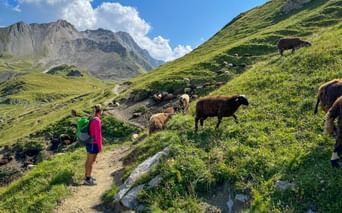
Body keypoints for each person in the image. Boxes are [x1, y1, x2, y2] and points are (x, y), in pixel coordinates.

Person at [84, 104, 103, 185]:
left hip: (88, 142)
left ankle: (87, 176)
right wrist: (100, 146)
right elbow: (98, 135)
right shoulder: (97, 120)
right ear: (99, 111)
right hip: (93, 143)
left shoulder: (91, 119)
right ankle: (88, 179)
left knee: (88, 160)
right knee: (91, 161)